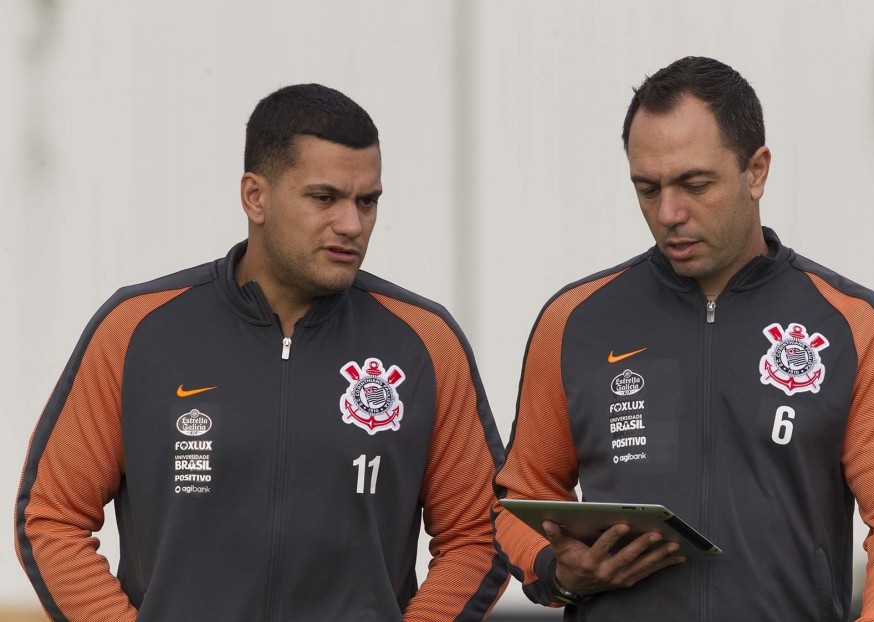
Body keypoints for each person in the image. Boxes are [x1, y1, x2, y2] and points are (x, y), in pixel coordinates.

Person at [15, 83, 508, 621]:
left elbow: (479, 536)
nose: (352, 224)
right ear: (255, 196)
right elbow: (52, 517)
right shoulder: (137, 330)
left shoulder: (423, 341)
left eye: (368, 201)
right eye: (325, 198)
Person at [492, 56, 874, 621]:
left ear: (756, 171)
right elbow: (516, 499)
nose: (669, 213)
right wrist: (556, 571)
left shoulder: (849, 322)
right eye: (647, 189)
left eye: (694, 184)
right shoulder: (576, 320)